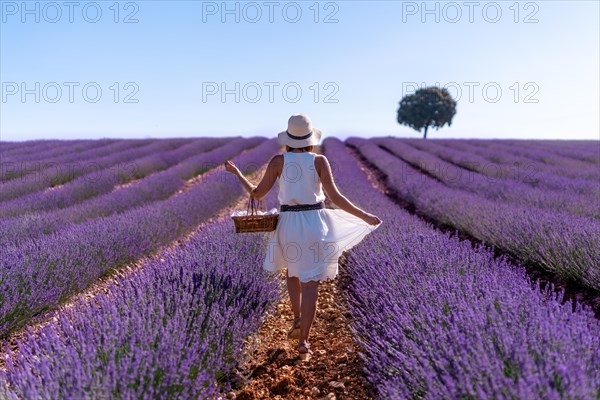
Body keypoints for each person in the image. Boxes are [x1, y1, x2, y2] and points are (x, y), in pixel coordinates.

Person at [224, 113, 382, 360]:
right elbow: (336, 197)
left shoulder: (278, 161)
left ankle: (297, 317)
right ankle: (304, 342)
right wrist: (364, 215)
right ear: (310, 139)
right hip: (314, 223)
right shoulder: (319, 161)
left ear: (288, 138)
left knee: (292, 270)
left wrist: (237, 174)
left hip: (288, 222)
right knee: (311, 284)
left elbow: (257, 194)